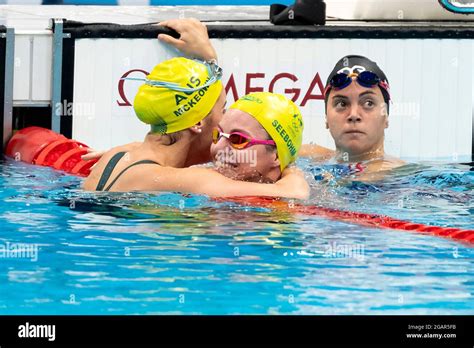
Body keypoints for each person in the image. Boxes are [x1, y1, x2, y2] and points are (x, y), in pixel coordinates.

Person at [82, 57, 308, 199]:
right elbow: (294, 193)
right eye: (222, 108)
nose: (224, 119)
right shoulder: (193, 180)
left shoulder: (118, 154)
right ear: (197, 123)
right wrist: (288, 165)